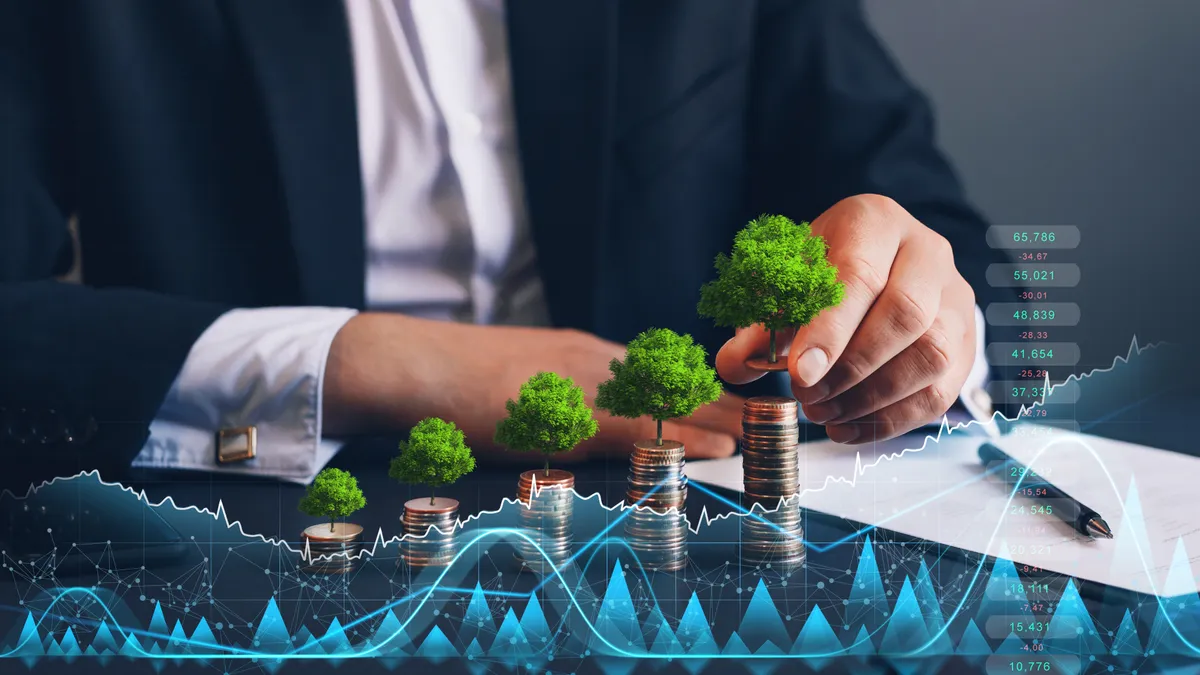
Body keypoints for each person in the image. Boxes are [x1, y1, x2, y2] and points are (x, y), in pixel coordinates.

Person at [0, 0, 1003, 489]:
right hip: (269, 523)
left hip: (685, 510)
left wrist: (913, 307)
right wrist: (374, 362)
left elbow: (923, 223)